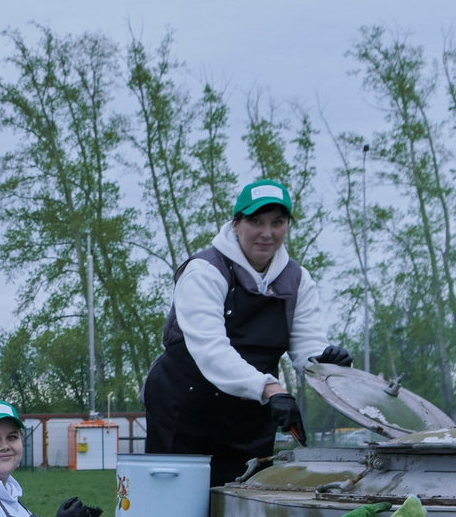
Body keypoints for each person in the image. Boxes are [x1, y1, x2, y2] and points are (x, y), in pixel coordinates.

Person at [141, 178, 351, 485]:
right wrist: (271, 389)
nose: (267, 233)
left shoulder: (297, 280)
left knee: (244, 512)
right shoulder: (204, 271)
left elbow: (306, 346)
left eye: (277, 222)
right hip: (183, 413)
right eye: (256, 221)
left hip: (249, 420)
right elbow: (211, 351)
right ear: (236, 224)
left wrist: (324, 362)